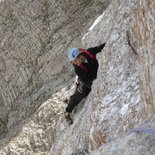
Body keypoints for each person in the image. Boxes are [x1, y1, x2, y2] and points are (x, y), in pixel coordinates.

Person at [64, 43, 106, 124]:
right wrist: (94, 85)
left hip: (92, 77)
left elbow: (100, 48)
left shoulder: (89, 52)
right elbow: (86, 79)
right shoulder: (77, 69)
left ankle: (69, 100)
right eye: (73, 62)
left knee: (79, 93)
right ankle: (67, 113)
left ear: (80, 55)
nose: (74, 63)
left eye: (75, 60)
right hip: (87, 82)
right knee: (78, 95)